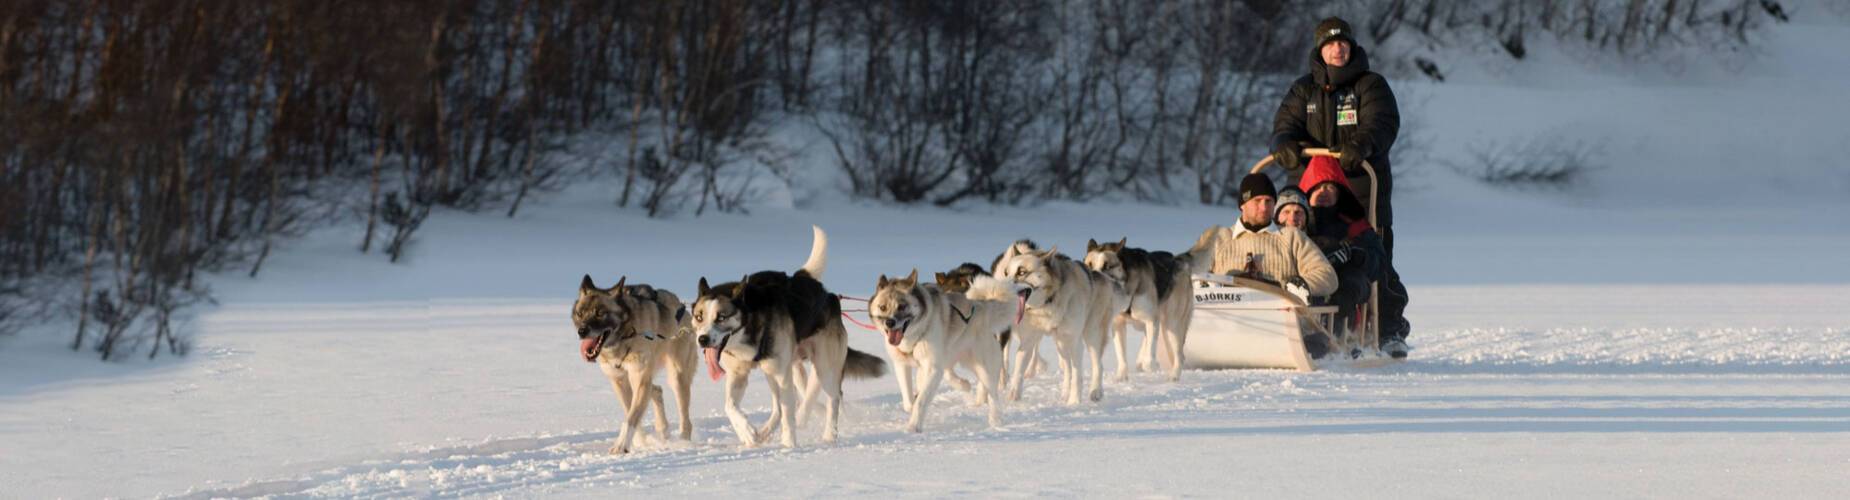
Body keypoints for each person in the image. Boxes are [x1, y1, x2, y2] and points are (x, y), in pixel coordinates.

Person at [1269, 16, 1411, 356]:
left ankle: (1389, 330)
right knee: (1296, 259)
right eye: (1331, 43)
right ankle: (1292, 326)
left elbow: (1383, 122)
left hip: (1360, 191)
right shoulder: (1303, 89)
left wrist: (1360, 145)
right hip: (1310, 192)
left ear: (1352, 47)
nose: (1338, 48)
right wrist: (1284, 144)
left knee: (1375, 259)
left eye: (1343, 42)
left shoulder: (1370, 85)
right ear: (1320, 49)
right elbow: (1284, 125)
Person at [1195, 173, 1340, 358]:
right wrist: (1201, 284)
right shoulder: (1218, 238)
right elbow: (1190, 273)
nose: (1264, 207)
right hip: (1226, 327)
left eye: (1269, 201)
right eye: (1257, 201)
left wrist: (1301, 285)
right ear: (1242, 205)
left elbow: (1328, 275)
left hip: (1284, 329)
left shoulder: (1291, 237)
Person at [1299, 156, 1391, 357]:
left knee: (1350, 283)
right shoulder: (1295, 220)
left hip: (1345, 283)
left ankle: (1338, 340)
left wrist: (1360, 257)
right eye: (1317, 187)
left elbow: (1379, 263)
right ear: (1308, 191)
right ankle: (1299, 334)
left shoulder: (1355, 226)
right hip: (1307, 280)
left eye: (1330, 187)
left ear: (1340, 193)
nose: (1323, 192)